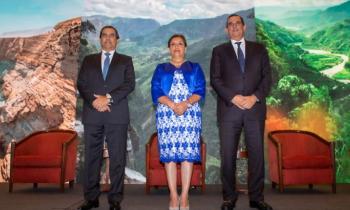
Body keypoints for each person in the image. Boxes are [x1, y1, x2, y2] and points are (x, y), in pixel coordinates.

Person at [210, 14, 272, 210]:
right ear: (226, 30)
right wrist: (234, 97)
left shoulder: (259, 49)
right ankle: (229, 198)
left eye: (238, 24)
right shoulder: (219, 51)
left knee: (256, 155)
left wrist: (254, 97)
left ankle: (257, 198)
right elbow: (215, 79)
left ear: (244, 27)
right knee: (228, 156)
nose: (234, 27)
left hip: (254, 110)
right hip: (230, 111)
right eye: (230, 25)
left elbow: (267, 78)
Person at [77, 25, 135, 210]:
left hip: (116, 115)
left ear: (117, 39)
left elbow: (129, 85)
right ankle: (91, 199)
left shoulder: (126, 60)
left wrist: (107, 98)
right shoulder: (88, 60)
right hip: (93, 115)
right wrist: (94, 102)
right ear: (99, 39)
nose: (108, 39)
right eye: (104, 35)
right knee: (92, 158)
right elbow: (81, 84)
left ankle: (115, 200)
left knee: (117, 159)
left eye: (112, 36)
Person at [151, 34, 206, 210]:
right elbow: (156, 90)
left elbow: (200, 89)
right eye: (173, 44)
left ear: (185, 48)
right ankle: (173, 196)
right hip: (167, 115)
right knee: (170, 157)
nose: (176, 47)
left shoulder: (195, 67)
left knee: (187, 156)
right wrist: (172, 105)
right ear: (169, 48)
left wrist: (185, 104)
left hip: (190, 115)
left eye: (180, 44)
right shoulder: (160, 68)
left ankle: (185, 197)